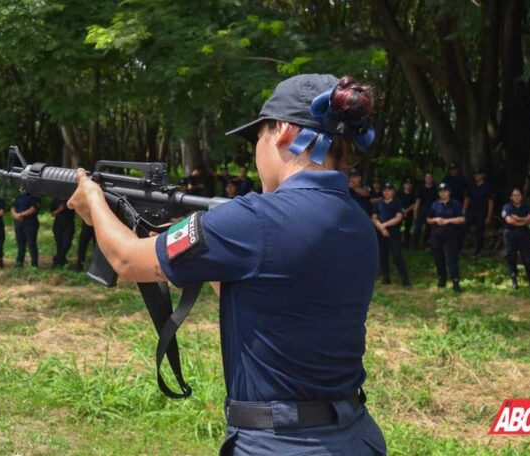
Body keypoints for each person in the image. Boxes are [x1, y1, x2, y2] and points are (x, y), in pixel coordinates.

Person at [66, 73, 386, 455]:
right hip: (355, 435)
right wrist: (184, 245)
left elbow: (125, 260)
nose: (257, 149)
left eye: (258, 136)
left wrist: (93, 203)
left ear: (283, 131)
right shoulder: (356, 220)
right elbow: (265, 288)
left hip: (280, 444)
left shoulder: (254, 218)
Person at [427, 182, 465, 292]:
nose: (443, 193)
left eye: (445, 191)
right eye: (440, 191)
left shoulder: (455, 204)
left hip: (451, 236)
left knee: (451, 259)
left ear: (449, 192)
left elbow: (462, 219)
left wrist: (447, 221)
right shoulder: (435, 204)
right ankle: (442, 279)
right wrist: (435, 220)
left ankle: (455, 282)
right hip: (437, 235)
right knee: (438, 258)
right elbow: (428, 219)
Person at [372, 182, 411, 287]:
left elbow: (398, 217)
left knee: (397, 256)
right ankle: (386, 278)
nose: (387, 192)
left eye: (389, 190)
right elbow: (374, 217)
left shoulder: (397, 202)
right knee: (383, 256)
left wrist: (384, 225)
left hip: (393, 233)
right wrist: (381, 227)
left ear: (393, 191)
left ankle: (405, 280)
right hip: (380, 233)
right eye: (385, 190)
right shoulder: (378, 203)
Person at [501, 188, 530, 289]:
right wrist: (524, 221)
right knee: (511, 257)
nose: (517, 197)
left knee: (527, 258)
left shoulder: (527, 207)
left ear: (521, 196)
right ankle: (514, 281)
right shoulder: (507, 207)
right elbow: (509, 221)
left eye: (518, 195)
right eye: (514, 195)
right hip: (510, 235)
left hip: (524, 235)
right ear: (511, 197)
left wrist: (518, 218)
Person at [463, 167, 495, 255]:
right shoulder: (471, 185)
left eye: (479, 175)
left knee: (479, 231)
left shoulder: (487, 186)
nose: (477, 176)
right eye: (475, 175)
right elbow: (467, 198)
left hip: (482, 212)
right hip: (471, 211)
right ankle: (460, 247)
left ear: (483, 175)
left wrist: (489, 216)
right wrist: (463, 211)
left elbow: (490, 201)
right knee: (463, 227)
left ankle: (478, 250)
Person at [11, 185, 40, 268]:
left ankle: (34, 264)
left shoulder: (34, 197)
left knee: (31, 244)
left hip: (30, 224)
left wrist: (20, 214)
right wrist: (16, 215)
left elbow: (33, 209)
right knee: (20, 244)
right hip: (18, 223)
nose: (23, 189)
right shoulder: (18, 197)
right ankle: (19, 263)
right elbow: (13, 208)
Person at [412, 172, 437, 249]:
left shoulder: (435, 188)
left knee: (429, 228)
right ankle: (414, 245)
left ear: (432, 179)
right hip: (422, 209)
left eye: (430, 177)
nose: (428, 179)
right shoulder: (421, 188)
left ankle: (426, 244)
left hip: (432, 209)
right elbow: (418, 201)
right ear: (424, 179)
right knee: (418, 228)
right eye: (427, 177)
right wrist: (415, 213)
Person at [50, 198, 75, 268]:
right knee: (59, 244)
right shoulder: (55, 200)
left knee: (67, 243)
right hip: (58, 224)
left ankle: (56, 259)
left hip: (69, 224)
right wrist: (60, 209)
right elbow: (52, 213)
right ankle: (61, 261)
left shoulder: (71, 199)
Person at [397, 178, 416, 248]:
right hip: (399, 213)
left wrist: (406, 211)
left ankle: (406, 244)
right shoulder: (399, 193)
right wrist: (402, 211)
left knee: (407, 228)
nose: (407, 185)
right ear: (403, 185)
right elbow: (397, 202)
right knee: (399, 228)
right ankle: (398, 242)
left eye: (409, 184)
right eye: (406, 184)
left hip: (409, 213)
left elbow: (414, 204)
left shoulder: (413, 193)